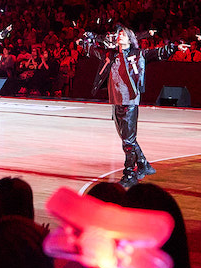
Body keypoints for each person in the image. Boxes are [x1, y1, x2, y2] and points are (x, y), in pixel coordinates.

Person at [79, 26, 185, 189]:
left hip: (129, 101)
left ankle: (129, 174)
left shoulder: (138, 54)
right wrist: (83, 43)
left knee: (127, 141)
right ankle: (143, 164)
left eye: (123, 35)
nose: (119, 36)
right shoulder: (111, 55)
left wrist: (174, 47)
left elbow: (158, 53)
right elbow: (93, 50)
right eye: (118, 35)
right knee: (127, 139)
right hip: (116, 101)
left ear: (130, 39)